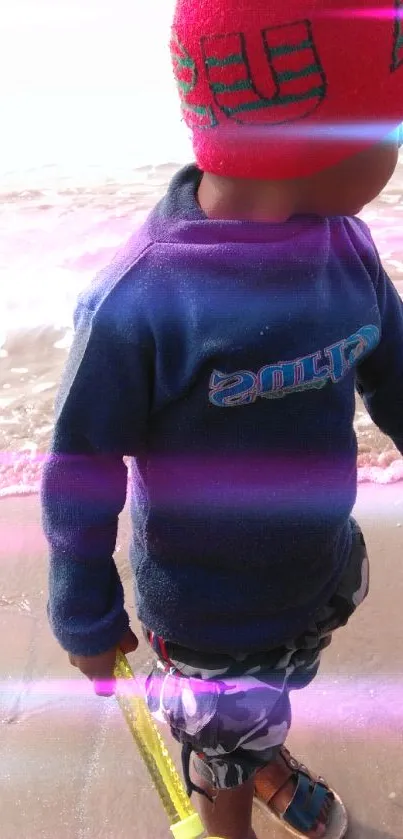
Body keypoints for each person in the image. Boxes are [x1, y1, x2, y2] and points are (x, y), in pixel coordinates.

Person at [41, 2, 403, 837]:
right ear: (310, 144)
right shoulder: (143, 301)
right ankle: (229, 813)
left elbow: (394, 366)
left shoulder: (342, 246)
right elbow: (81, 468)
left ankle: (259, 753)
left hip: (311, 570)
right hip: (208, 613)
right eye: (389, 127)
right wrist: (84, 612)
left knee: (269, 697)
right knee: (221, 733)